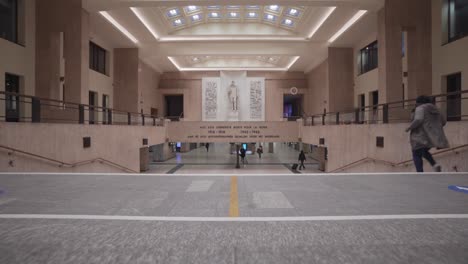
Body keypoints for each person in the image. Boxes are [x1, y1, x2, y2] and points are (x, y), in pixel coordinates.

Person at [406, 95, 449, 172]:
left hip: (420, 135)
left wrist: (410, 127)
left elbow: (418, 120)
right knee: (424, 151)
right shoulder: (436, 109)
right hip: (432, 137)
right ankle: (435, 164)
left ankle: (420, 172)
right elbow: (443, 121)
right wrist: (433, 127)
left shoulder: (420, 108)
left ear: (419, 102)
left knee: (416, 152)